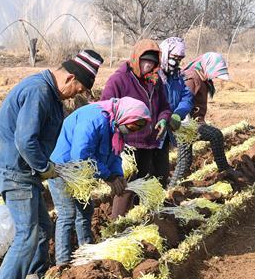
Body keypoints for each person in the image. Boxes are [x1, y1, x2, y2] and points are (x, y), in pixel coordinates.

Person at [0, 49, 104, 279]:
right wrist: (45, 167)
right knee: (28, 232)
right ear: (70, 78)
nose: (77, 95)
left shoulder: (51, 95)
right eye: (79, 88)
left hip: (23, 170)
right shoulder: (39, 91)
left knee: (42, 229)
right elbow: (25, 139)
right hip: (14, 170)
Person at [47, 97, 151, 264]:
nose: (133, 130)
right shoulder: (95, 119)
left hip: (81, 174)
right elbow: (81, 155)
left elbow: (114, 154)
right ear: (126, 116)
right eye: (133, 125)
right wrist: (106, 175)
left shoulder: (115, 124)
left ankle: (85, 253)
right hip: (63, 170)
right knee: (67, 214)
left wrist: (117, 175)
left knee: (86, 211)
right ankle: (62, 262)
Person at [101, 39, 173, 217]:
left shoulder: (155, 81)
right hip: (128, 144)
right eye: (145, 61)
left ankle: (143, 218)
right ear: (136, 59)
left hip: (149, 142)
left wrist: (164, 119)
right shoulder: (119, 80)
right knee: (126, 186)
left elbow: (165, 106)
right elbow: (105, 110)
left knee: (145, 182)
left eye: (152, 63)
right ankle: (117, 224)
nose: (148, 66)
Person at [172, 52, 241, 185]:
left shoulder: (200, 76)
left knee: (185, 162)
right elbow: (183, 101)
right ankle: (171, 189)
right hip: (186, 125)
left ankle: (224, 169)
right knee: (214, 136)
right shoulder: (191, 78)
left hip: (193, 123)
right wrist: (185, 127)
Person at [159, 37, 194, 174]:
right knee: (147, 170)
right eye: (174, 57)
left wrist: (178, 113)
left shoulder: (177, 76)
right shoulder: (154, 76)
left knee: (162, 171)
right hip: (153, 131)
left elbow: (187, 97)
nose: (176, 62)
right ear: (165, 54)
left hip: (167, 131)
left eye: (180, 59)